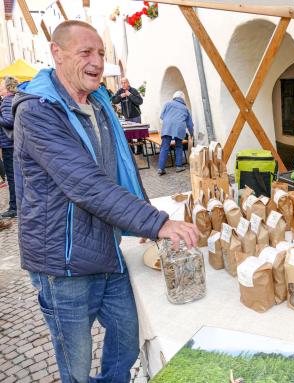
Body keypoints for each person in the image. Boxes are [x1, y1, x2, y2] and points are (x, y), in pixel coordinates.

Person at [13, 20, 200, 383]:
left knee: (128, 338)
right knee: (77, 364)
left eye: (99, 52)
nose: (97, 61)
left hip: (105, 247)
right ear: (57, 54)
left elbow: (121, 170)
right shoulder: (37, 111)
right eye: (85, 52)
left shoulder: (99, 105)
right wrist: (156, 221)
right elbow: (85, 184)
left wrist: (139, 218)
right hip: (62, 262)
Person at [157, 90, 194, 175]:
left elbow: (162, 116)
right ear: (183, 99)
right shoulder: (185, 109)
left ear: (174, 97)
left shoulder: (167, 104)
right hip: (179, 128)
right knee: (179, 146)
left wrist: (169, 121)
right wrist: (191, 133)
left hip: (167, 127)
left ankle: (161, 168)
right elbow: (190, 124)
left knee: (164, 147)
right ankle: (178, 166)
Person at [0, 76, 18, 219]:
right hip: (13, 143)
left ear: (7, 87)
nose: (0, 87)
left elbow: (8, 121)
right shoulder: (14, 98)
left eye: (1, 85)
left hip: (8, 144)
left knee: (12, 177)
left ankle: (14, 207)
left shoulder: (7, 100)